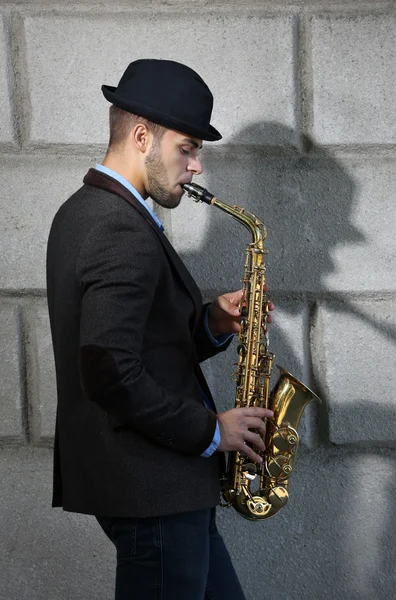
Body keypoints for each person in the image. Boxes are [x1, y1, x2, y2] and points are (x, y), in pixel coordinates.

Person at [46, 59, 274, 600]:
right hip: (153, 488)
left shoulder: (89, 211)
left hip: (160, 487)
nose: (196, 167)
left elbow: (135, 346)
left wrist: (212, 321)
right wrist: (213, 431)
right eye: (188, 148)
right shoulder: (117, 226)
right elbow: (110, 373)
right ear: (143, 136)